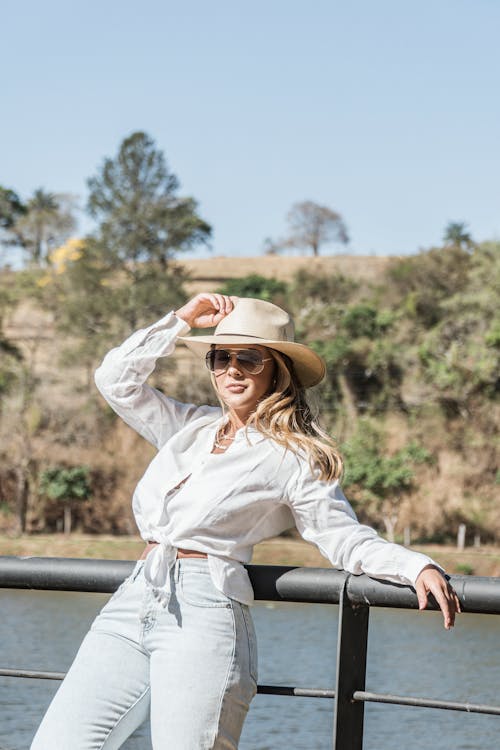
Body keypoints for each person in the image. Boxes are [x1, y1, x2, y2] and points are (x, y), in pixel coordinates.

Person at [31, 293, 460, 750]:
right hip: (134, 598)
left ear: (278, 368)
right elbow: (114, 379)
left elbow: (342, 537)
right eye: (220, 358)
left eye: (249, 359)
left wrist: (415, 566)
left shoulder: (294, 455)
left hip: (204, 615)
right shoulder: (189, 428)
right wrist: (181, 320)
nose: (231, 370)